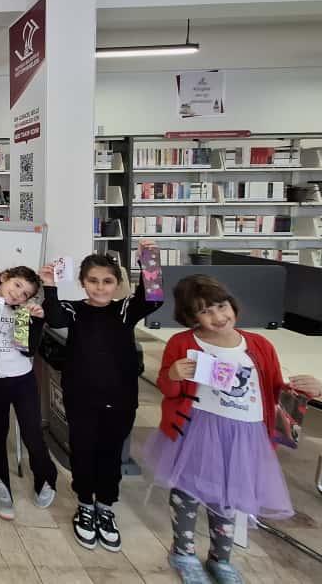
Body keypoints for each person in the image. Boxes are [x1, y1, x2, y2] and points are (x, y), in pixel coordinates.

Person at [145, 275, 322, 584]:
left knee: (228, 497)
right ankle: (183, 552)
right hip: (197, 430)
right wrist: (172, 374)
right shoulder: (182, 343)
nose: (218, 316)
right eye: (205, 311)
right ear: (191, 316)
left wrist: (308, 389)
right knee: (187, 492)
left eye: (222, 306)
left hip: (244, 436)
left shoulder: (259, 345)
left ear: (233, 305)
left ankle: (221, 559)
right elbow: (169, 389)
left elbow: (274, 389)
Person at [40, 241, 162, 553]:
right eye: (93, 281)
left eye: (107, 281)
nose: (100, 287)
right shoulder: (75, 309)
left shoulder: (124, 310)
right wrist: (50, 285)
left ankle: (105, 506)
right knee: (83, 451)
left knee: (110, 453)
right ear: (83, 283)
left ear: (117, 284)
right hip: (81, 397)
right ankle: (85, 504)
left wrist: (149, 259)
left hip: (120, 399)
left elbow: (153, 299)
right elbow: (55, 318)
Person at [0, 265, 58, 521]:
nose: (18, 295)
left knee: (32, 432)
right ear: (5, 277)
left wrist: (35, 322)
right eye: (17, 285)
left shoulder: (23, 312)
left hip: (22, 380)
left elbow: (28, 350)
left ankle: (46, 477)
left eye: (25, 294)